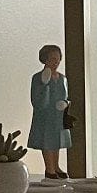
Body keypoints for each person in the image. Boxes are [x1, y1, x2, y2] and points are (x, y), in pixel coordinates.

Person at [28, 44, 71, 179]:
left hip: (58, 115)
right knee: (46, 140)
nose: (56, 62)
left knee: (57, 141)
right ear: (45, 59)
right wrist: (44, 84)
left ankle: (56, 166)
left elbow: (65, 95)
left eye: (58, 59)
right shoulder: (38, 78)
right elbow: (36, 99)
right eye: (52, 59)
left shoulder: (62, 78)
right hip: (45, 115)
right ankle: (49, 168)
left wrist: (65, 103)